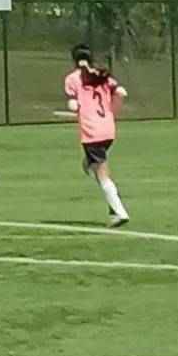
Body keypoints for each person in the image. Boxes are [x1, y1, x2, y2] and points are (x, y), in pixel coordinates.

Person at [64, 44, 130, 227]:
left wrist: (76, 106)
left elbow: (72, 104)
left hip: (92, 131)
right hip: (108, 129)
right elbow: (121, 92)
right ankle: (112, 201)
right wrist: (113, 110)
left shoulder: (72, 79)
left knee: (101, 172)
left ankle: (119, 211)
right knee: (88, 164)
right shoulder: (102, 75)